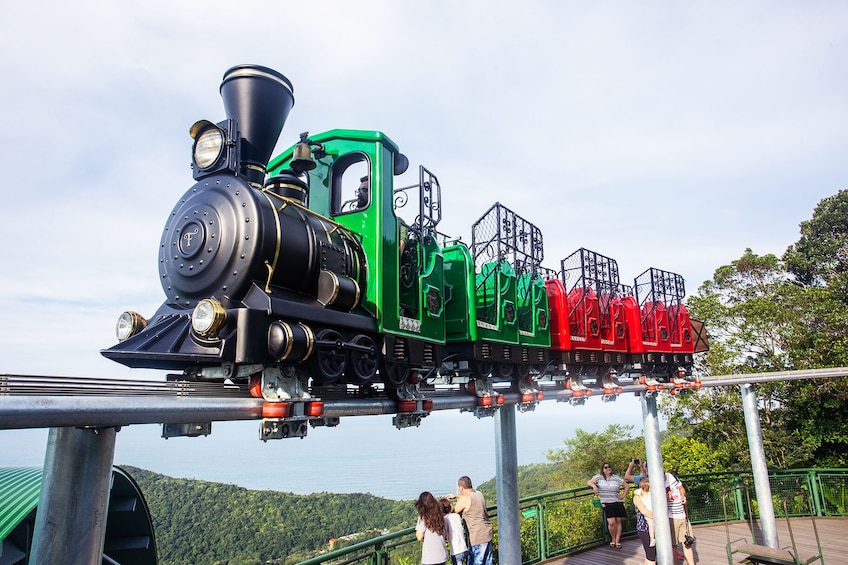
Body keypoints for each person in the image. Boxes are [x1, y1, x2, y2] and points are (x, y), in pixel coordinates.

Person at [447, 476, 493, 565]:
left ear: (461, 487)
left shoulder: (464, 499)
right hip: (487, 533)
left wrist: (446, 502)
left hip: (477, 537)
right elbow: (469, 497)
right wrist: (457, 496)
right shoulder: (479, 494)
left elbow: (453, 512)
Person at [587, 462, 629, 548]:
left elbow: (626, 486)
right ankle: (613, 539)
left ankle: (617, 541)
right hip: (607, 502)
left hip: (617, 501)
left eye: (609, 467)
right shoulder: (599, 477)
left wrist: (623, 496)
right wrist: (594, 487)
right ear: (602, 469)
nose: (608, 468)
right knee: (611, 522)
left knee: (618, 521)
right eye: (606, 467)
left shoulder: (616, 478)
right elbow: (589, 482)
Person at [665, 470, 695, 565]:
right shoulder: (656, 482)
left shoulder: (671, 476)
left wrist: (683, 496)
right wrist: (666, 497)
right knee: (673, 545)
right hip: (671, 517)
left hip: (682, 515)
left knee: (687, 542)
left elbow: (681, 488)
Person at [415, 491, 449, 565]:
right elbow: (446, 536)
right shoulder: (441, 516)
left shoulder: (423, 518)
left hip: (430, 558)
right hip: (442, 556)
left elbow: (419, 537)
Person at [632, 476, 657, 565]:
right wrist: (660, 518)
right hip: (644, 528)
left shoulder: (651, 495)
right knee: (651, 555)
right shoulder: (638, 497)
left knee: (650, 554)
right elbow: (644, 511)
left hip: (654, 527)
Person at [440, 497, 468, 565]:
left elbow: (446, 536)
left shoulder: (445, 519)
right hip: (464, 548)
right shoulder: (457, 516)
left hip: (456, 551)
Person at [634, 477, 656, 547]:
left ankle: (653, 538)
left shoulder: (644, 493)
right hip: (644, 524)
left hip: (651, 514)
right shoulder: (639, 495)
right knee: (651, 526)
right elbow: (644, 511)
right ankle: (652, 538)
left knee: (651, 526)